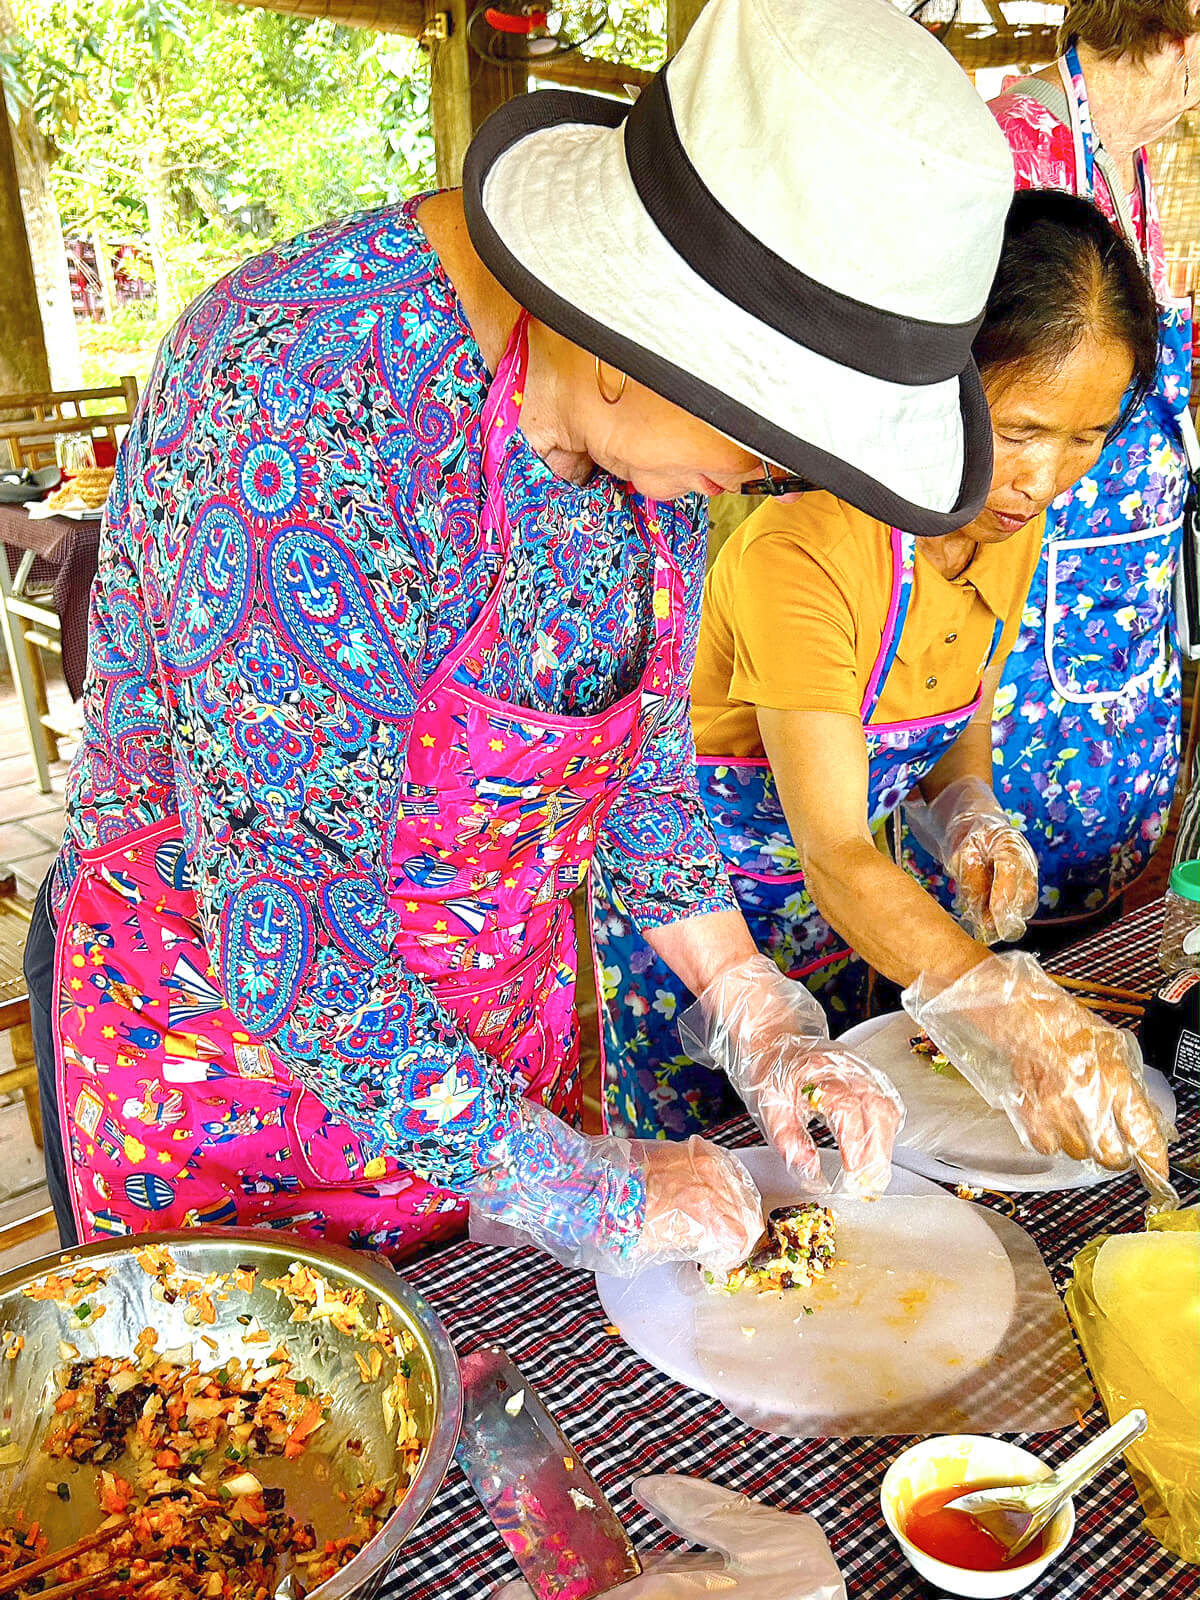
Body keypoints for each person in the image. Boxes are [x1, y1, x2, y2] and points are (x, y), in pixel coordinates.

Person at [24, 0, 1016, 1272]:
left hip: (499, 1089)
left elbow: (636, 772)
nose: (762, 483)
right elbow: (292, 934)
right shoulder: (307, 395)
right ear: (637, 333)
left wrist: (747, 1000)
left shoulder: (649, 460)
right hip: (225, 1088)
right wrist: (588, 1191)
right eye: (762, 448)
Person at [594, 190, 1173, 1194]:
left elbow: (958, 702)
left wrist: (968, 808)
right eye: (1023, 426)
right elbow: (833, 846)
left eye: (1089, 437)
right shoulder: (805, 544)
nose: (1044, 478)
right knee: (728, 1197)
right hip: (708, 947)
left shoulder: (1005, 519)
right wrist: (1002, 1009)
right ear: (943, 382)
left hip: (863, 925)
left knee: (860, 1185)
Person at [972, 0, 1197, 933]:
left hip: (1126, 626)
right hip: (1026, 612)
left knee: (1114, 938)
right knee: (1006, 904)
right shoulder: (1008, 153)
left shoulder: (1140, 168)